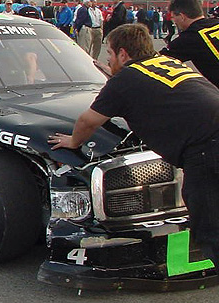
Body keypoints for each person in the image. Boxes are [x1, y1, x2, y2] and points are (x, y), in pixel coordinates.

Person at [48, 23, 219, 272]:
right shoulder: (166, 64)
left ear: (123, 54)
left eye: (109, 54)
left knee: (210, 228)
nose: (109, 59)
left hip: (206, 150)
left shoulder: (125, 81)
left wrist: (73, 141)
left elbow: (88, 121)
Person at [160, 0, 219, 88]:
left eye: (173, 17)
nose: (173, 21)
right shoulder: (216, 23)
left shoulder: (188, 38)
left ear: (182, 16)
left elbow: (157, 60)